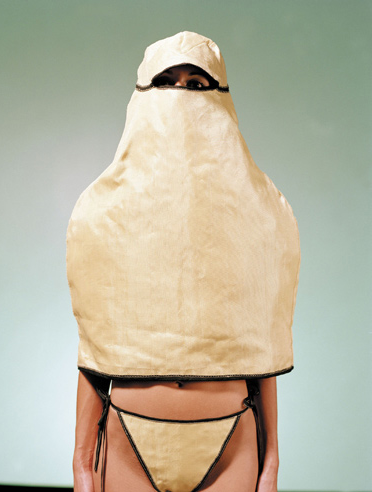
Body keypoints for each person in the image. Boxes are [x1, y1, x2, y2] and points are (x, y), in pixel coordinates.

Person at [67, 31, 300, 492]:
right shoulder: (101, 212)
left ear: (221, 96)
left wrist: (271, 461)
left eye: (197, 83)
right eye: (166, 81)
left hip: (232, 443)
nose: (182, 92)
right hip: (127, 439)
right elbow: (95, 349)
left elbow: (260, 348)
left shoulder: (260, 213)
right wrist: (80, 463)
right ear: (143, 93)